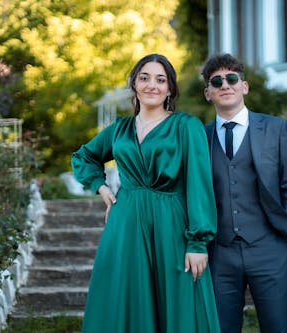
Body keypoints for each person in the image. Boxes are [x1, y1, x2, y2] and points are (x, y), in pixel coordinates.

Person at [71, 53, 220, 333]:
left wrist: (198, 243)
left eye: (160, 80)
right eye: (145, 77)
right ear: (135, 85)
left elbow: (199, 184)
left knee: (177, 302)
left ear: (170, 89)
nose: (152, 85)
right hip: (125, 225)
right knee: (126, 299)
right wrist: (102, 188)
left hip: (171, 226)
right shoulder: (119, 129)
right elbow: (84, 157)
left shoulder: (186, 126)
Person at [201, 53, 287, 333]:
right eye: (217, 81)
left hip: (270, 247)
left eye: (232, 78)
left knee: (279, 328)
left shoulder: (275, 128)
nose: (225, 85)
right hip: (220, 253)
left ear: (244, 86)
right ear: (208, 93)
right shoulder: (200, 137)